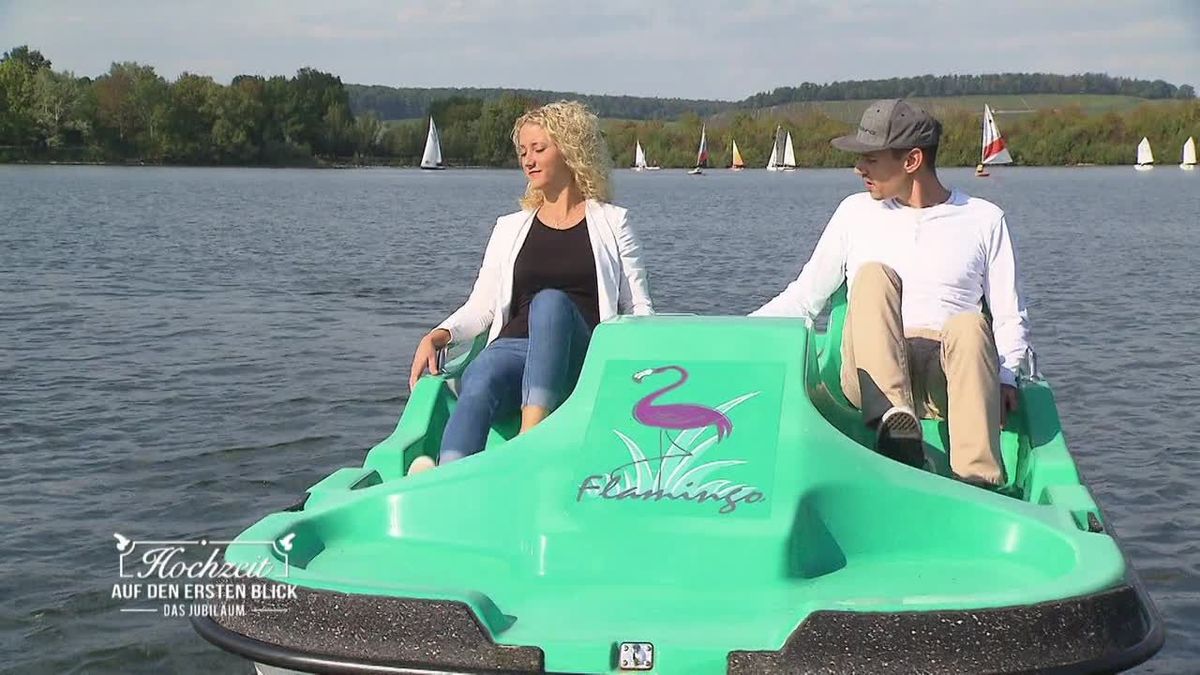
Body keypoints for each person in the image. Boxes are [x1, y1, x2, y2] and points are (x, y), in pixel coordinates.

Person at [751, 99, 1030, 487]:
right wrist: (739, 333)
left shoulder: (984, 219)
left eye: (871, 159)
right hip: (871, 373)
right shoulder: (854, 213)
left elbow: (1008, 315)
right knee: (874, 277)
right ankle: (896, 429)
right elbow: (803, 299)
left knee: (969, 325)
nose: (859, 168)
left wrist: (1007, 376)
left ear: (912, 160)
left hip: (947, 373)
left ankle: (976, 483)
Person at [407, 101, 654, 474]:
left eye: (539, 149)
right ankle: (447, 477)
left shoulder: (613, 223)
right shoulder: (509, 228)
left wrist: (642, 375)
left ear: (570, 150)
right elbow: (482, 305)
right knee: (482, 373)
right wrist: (441, 334)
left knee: (551, 303)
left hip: (579, 355)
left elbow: (638, 309)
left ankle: (528, 444)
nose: (528, 160)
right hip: (513, 349)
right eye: (523, 152)